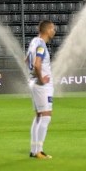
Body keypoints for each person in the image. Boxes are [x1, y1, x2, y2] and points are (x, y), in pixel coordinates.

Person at [26, 20, 56, 159]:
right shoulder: (41, 45)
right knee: (46, 116)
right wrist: (41, 78)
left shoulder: (34, 42)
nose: (54, 31)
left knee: (38, 116)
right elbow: (37, 64)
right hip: (41, 86)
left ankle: (34, 150)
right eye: (53, 29)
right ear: (47, 30)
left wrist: (33, 75)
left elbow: (26, 60)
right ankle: (39, 150)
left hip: (34, 83)